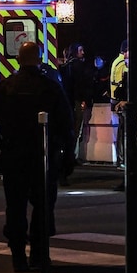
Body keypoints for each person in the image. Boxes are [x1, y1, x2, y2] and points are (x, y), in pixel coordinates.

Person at [0, 41, 74, 272]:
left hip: (13, 155)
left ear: (18, 59)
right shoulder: (50, 88)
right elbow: (66, 123)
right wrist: (68, 156)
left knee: (15, 207)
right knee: (43, 207)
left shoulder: (3, 88)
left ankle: (18, 258)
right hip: (42, 156)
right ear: (40, 58)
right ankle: (39, 256)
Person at [58, 43, 93, 186]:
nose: (83, 52)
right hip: (76, 103)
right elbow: (82, 85)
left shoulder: (65, 67)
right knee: (75, 132)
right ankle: (68, 162)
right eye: (80, 50)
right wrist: (85, 101)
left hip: (65, 104)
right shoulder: (78, 67)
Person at [109, 40, 128, 170]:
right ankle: (122, 159)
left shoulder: (117, 60)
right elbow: (123, 83)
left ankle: (121, 159)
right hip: (120, 100)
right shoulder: (123, 63)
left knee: (121, 130)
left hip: (114, 98)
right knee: (123, 131)